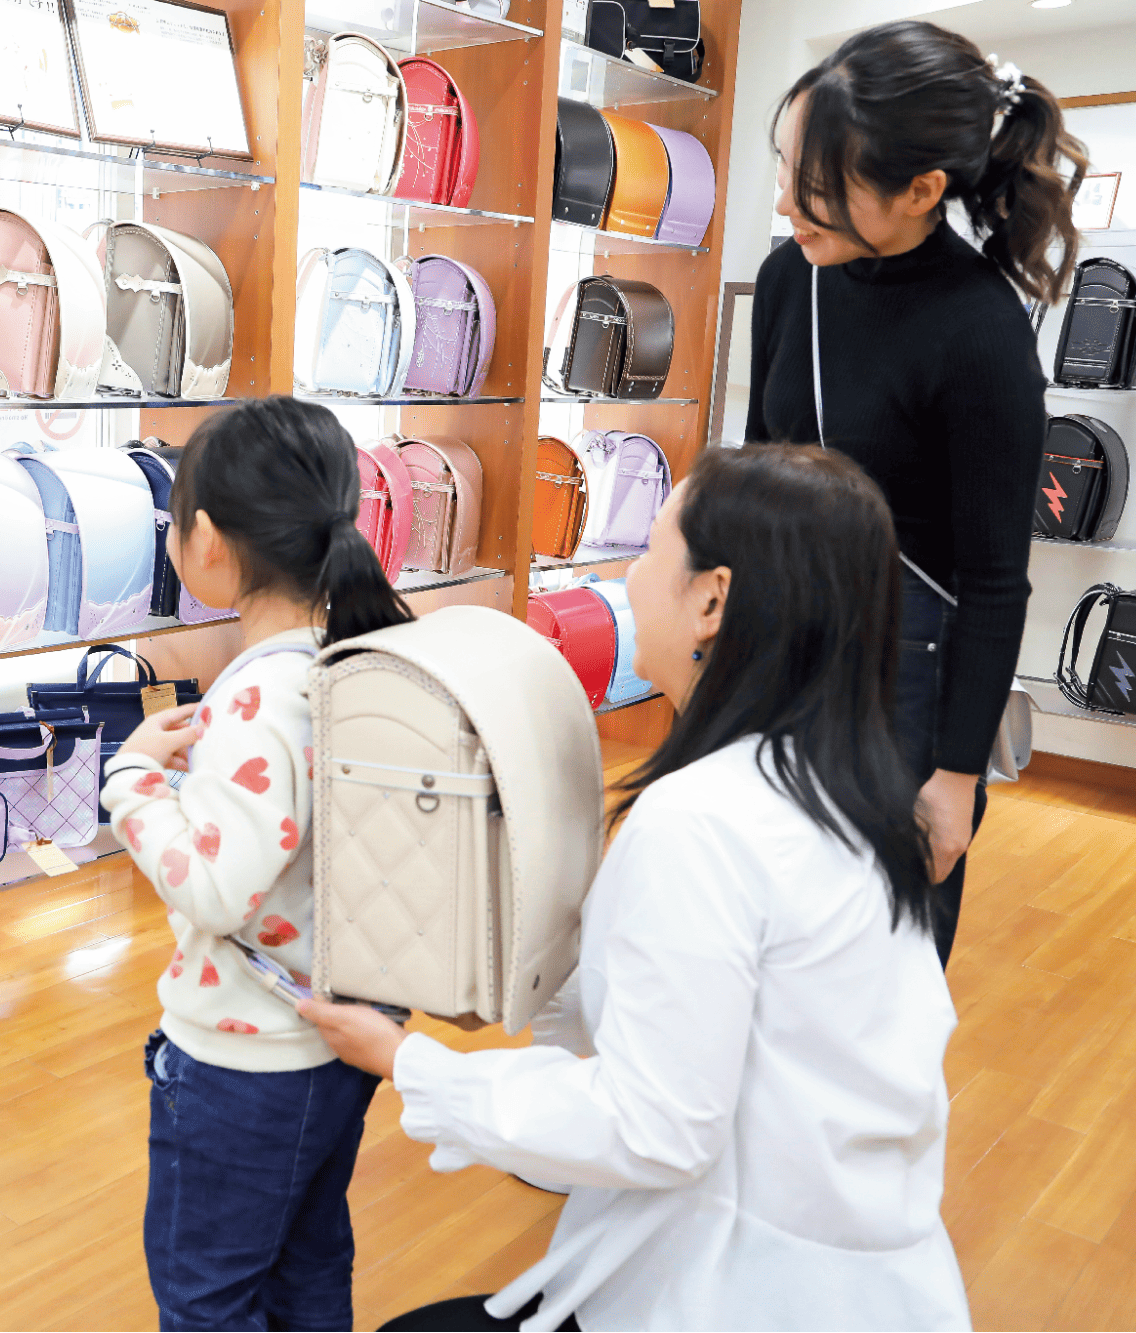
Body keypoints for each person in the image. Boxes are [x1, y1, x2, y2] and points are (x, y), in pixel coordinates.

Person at [306, 446, 968, 1332]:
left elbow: (655, 1126)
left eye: (651, 549)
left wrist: (410, 1066)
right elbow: (673, 1020)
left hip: (733, 1292)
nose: (625, 576)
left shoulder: (704, 819)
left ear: (711, 600)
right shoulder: (849, 797)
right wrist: (512, 965)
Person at [746, 20, 1087, 965]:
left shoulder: (979, 331)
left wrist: (953, 776)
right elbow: (759, 476)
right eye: (786, 170)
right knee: (764, 940)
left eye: (816, 185)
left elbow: (992, 580)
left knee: (877, 964)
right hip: (789, 654)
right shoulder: (789, 277)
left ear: (921, 191)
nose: (784, 204)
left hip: (911, 693)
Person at [104, 397, 416, 1332]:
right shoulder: (349, 662)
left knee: (205, 1295)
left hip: (246, 1062)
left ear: (204, 540)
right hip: (339, 1040)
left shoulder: (255, 700)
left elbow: (213, 888)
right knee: (307, 1259)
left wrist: (131, 781)